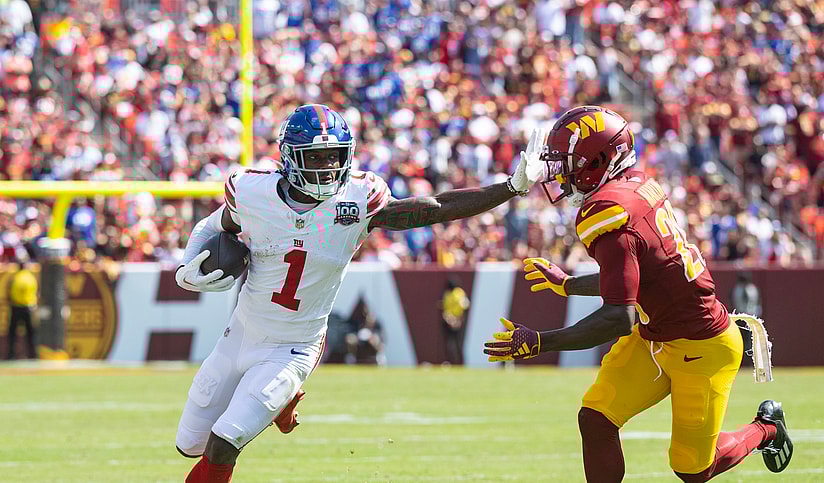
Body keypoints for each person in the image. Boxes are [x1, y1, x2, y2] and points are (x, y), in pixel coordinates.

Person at [173, 104, 548, 482]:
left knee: (225, 442)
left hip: (293, 347)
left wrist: (510, 187)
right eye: (314, 158)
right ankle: (277, 406)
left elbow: (436, 208)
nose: (326, 168)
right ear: (289, 158)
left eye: (334, 157)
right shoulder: (252, 191)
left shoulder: (358, 198)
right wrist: (186, 267)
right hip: (240, 333)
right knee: (190, 444)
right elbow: (214, 223)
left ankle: (271, 402)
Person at [483, 106, 792, 482]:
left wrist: (539, 342)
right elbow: (633, 277)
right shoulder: (632, 187)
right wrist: (567, 285)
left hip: (702, 346)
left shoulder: (610, 214)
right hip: (653, 337)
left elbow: (617, 316)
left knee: (692, 469)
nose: (562, 174)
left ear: (598, 161)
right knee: (596, 418)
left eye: (569, 164)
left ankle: (766, 429)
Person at [6, 261, 38, 360]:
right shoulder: (31, 277)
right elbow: (37, 292)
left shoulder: (15, 277)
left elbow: (8, 290)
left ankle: (11, 355)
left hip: (16, 307)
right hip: (29, 307)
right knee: (31, 333)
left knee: (12, 332)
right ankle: (32, 355)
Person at [439, 276, 469, 365]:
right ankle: (455, 362)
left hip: (455, 321)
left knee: (456, 343)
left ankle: (459, 362)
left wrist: (456, 320)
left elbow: (464, 307)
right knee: (451, 343)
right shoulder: (458, 293)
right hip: (452, 320)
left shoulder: (455, 293)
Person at [344, 300, 384, 365]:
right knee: (350, 339)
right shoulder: (357, 322)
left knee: (374, 340)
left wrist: (371, 337)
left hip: (372, 345)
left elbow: (381, 337)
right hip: (359, 343)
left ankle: (378, 358)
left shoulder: (376, 324)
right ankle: (352, 358)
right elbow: (351, 333)